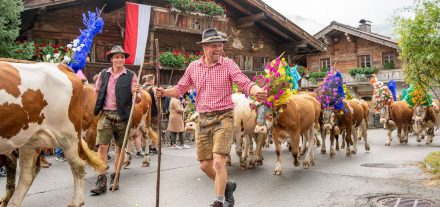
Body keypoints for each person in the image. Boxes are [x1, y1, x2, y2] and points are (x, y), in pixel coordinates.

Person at [155, 28, 267, 207]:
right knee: (204, 165)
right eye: (214, 46)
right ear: (204, 47)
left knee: (218, 161)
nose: (218, 49)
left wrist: (257, 91)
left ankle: (220, 201)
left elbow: (244, 82)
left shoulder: (228, 64)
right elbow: (180, 89)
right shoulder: (193, 67)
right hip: (204, 119)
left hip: (224, 116)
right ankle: (227, 185)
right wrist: (164, 92)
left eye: (220, 45)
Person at [91, 45, 141, 195]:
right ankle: (101, 180)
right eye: (117, 57)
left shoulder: (131, 75)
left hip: (123, 116)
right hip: (106, 115)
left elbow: (137, 100)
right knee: (102, 148)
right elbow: (96, 92)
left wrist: (136, 93)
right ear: (111, 59)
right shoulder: (103, 74)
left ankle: (116, 177)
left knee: (119, 148)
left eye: (122, 57)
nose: (120, 59)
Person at [141, 74, 159, 159]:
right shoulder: (153, 88)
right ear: (152, 80)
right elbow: (156, 100)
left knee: (144, 129)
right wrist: (159, 109)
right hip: (153, 111)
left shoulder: (141, 88)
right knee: (154, 129)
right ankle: (154, 147)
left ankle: (145, 146)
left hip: (143, 112)